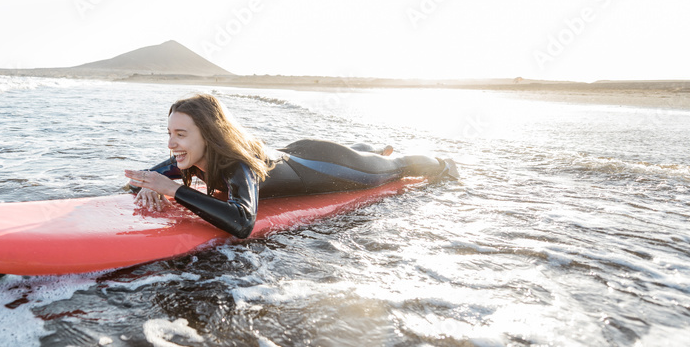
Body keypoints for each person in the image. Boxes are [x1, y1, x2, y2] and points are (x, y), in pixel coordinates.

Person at [124, 93, 458, 238]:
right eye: (169, 133)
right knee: (369, 156)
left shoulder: (237, 165)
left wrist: (175, 191)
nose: (171, 144)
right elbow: (138, 180)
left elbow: (242, 222)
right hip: (295, 153)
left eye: (180, 134)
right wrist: (149, 188)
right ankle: (370, 148)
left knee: (392, 169)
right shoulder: (189, 155)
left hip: (327, 166)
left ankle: (442, 162)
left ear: (208, 135)